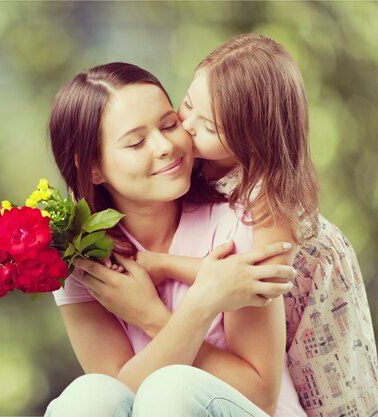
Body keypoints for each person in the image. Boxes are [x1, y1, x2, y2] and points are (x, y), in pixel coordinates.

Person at [44, 62, 305, 417]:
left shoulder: (241, 225)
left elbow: (261, 395)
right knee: (87, 397)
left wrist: (152, 316)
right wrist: (200, 304)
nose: (165, 146)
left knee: (172, 389)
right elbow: (118, 399)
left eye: (170, 124)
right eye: (136, 142)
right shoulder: (81, 260)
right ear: (92, 167)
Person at [135, 34, 378, 416]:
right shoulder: (201, 160)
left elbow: (252, 279)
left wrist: (163, 266)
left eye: (210, 127)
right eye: (187, 104)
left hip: (314, 324)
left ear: (254, 140)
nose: (189, 127)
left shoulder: (272, 196)